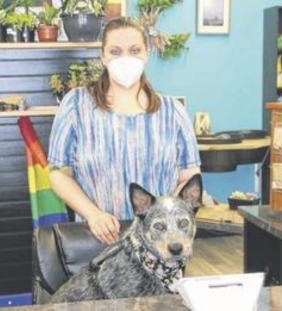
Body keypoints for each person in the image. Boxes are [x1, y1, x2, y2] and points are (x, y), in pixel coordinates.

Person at [47, 17, 201, 245]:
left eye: (135, 50)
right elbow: (58, 174)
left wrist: (170, 224)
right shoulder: (76, 106)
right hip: (98, 240)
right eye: (115, 51)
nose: (125, 59)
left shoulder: (173, 112)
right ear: (103, 56)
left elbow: (189, 178)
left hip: (160, 248)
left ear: (147, 53)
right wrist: (92, 214)